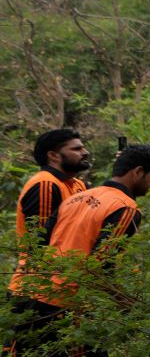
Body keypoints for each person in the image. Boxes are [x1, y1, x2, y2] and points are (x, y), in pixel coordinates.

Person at [48, 143, 150, 268]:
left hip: (40, 283)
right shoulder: (126, 208)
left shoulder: (73, 199)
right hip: (74, 286)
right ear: (138, 172)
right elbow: (102, 264)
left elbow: (40, 242)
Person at [10, 128, 90, 298]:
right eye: (76, 149)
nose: (85, 152)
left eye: (82, 148)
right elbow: (40, 241)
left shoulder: (77, 185)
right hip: (37, 288)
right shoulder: (45, 184)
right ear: (53, 156)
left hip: (65, 284)